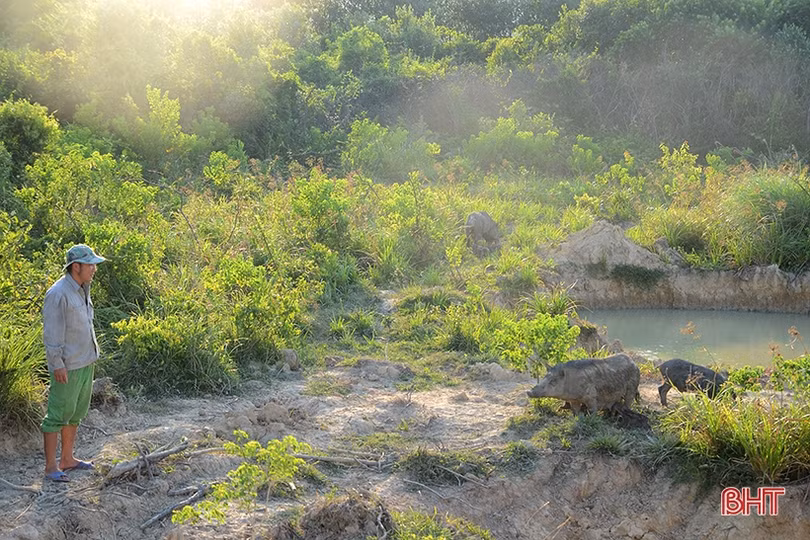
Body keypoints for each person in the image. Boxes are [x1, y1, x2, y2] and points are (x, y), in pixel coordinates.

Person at [41, 244, 107, 482]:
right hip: (67, 366)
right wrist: (57, 364)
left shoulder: (82, 288)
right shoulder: (58, 293)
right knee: (57, 415)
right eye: (90, 265)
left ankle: (67, 459)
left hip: (85, 361)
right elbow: (52, 334)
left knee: (76, 414)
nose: (94, 269)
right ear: (75, 267)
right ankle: (51, 467)